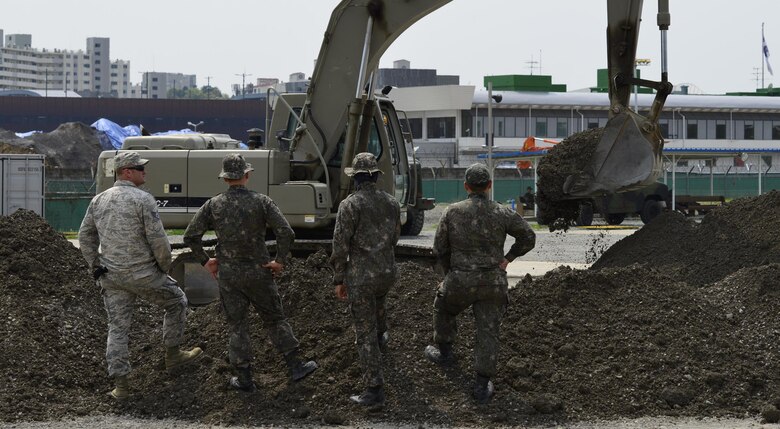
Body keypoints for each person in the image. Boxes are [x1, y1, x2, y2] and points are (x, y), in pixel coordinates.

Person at [183, 153, 317, 392]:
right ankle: (296, 366)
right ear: (246, 175)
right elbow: (286, 232)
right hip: (259, 272)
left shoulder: (213, 204)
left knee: (237, 325)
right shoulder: (262, 202)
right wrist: (280, 261)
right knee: (274, 318)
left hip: (229, 275)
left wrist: (207, 261)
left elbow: (190, 236)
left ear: (225, 179)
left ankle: (244, 380)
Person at [78, 151, 203, 400]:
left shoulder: (98, 200)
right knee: (176, 302)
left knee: (117, 329)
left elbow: (85, 236)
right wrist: (164, 268)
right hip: (143, 274)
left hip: (112, 277)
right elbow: (159, 241)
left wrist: (95, 265)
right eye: (140, 168)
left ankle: (121, 387)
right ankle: (174, 356)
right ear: (126, 171)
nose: (145, 172)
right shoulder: (143, 200)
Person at [424, 163, 536, 404]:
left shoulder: (452, 212)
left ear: (466, 186)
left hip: (460, 280)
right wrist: (508, 258)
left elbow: (438, 249)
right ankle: (482, 384)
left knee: (443, 307)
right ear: (489, 186)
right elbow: (528, 236)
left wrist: (447, 274)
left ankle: (444, 352)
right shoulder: (502, 212)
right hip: (493, 283)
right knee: (488, 330)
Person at [330, 152, 401, 407]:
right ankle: (382, 340)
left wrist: (339, 278)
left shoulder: (350, 205)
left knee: (364, 331)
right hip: (386, 272)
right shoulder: (392, 203)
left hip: (361, 276)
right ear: (375, 176)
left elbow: (340, 245)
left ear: (356, 178)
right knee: (379, 307)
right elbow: (395, 238)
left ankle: (374, 390)